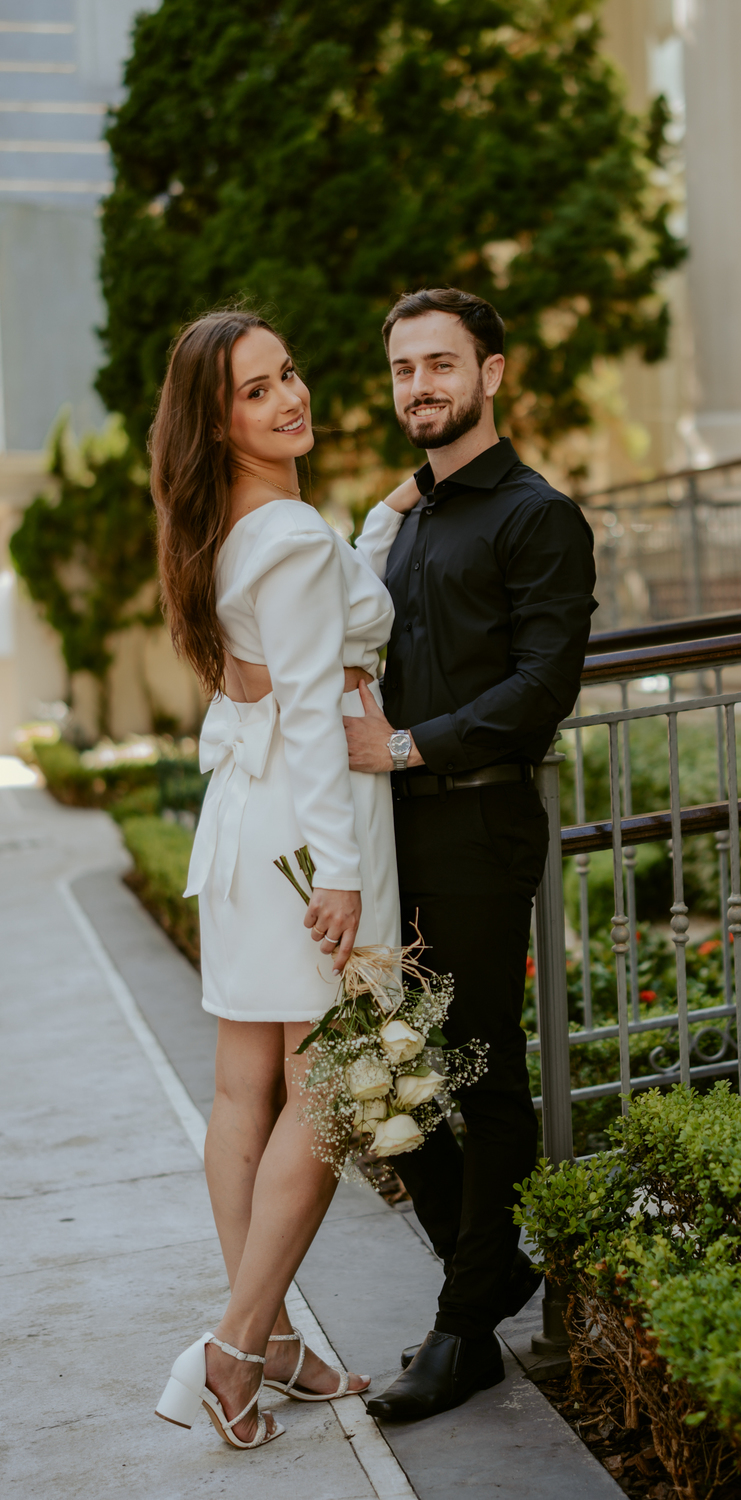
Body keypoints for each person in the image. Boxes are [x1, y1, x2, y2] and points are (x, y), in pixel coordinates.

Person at [150, 310, 413, 1450]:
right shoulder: (293, 536)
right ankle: (235, 1347)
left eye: (289, 375)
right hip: (312, 836)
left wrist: (383, 520)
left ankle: (275, 1344)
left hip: (247, 829)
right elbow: (314, 712)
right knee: (329, 1094)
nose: (290, 398)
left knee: (240, 1092)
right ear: (221, 422)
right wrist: (343, 880)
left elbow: (304, 624)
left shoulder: (229, 529)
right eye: (257, 392)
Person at [344, 288, 596, 1422]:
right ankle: (489, 1272)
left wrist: (401, 743)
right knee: (384, 1077)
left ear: (492, 374)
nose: (419, 388)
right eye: (403, 370)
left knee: (482, 1074)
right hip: (392, 834)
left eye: (440, 365)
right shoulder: (407, 523)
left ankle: (462, 1333)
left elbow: (541, 689)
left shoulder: (539, 517)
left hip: (481, 826)